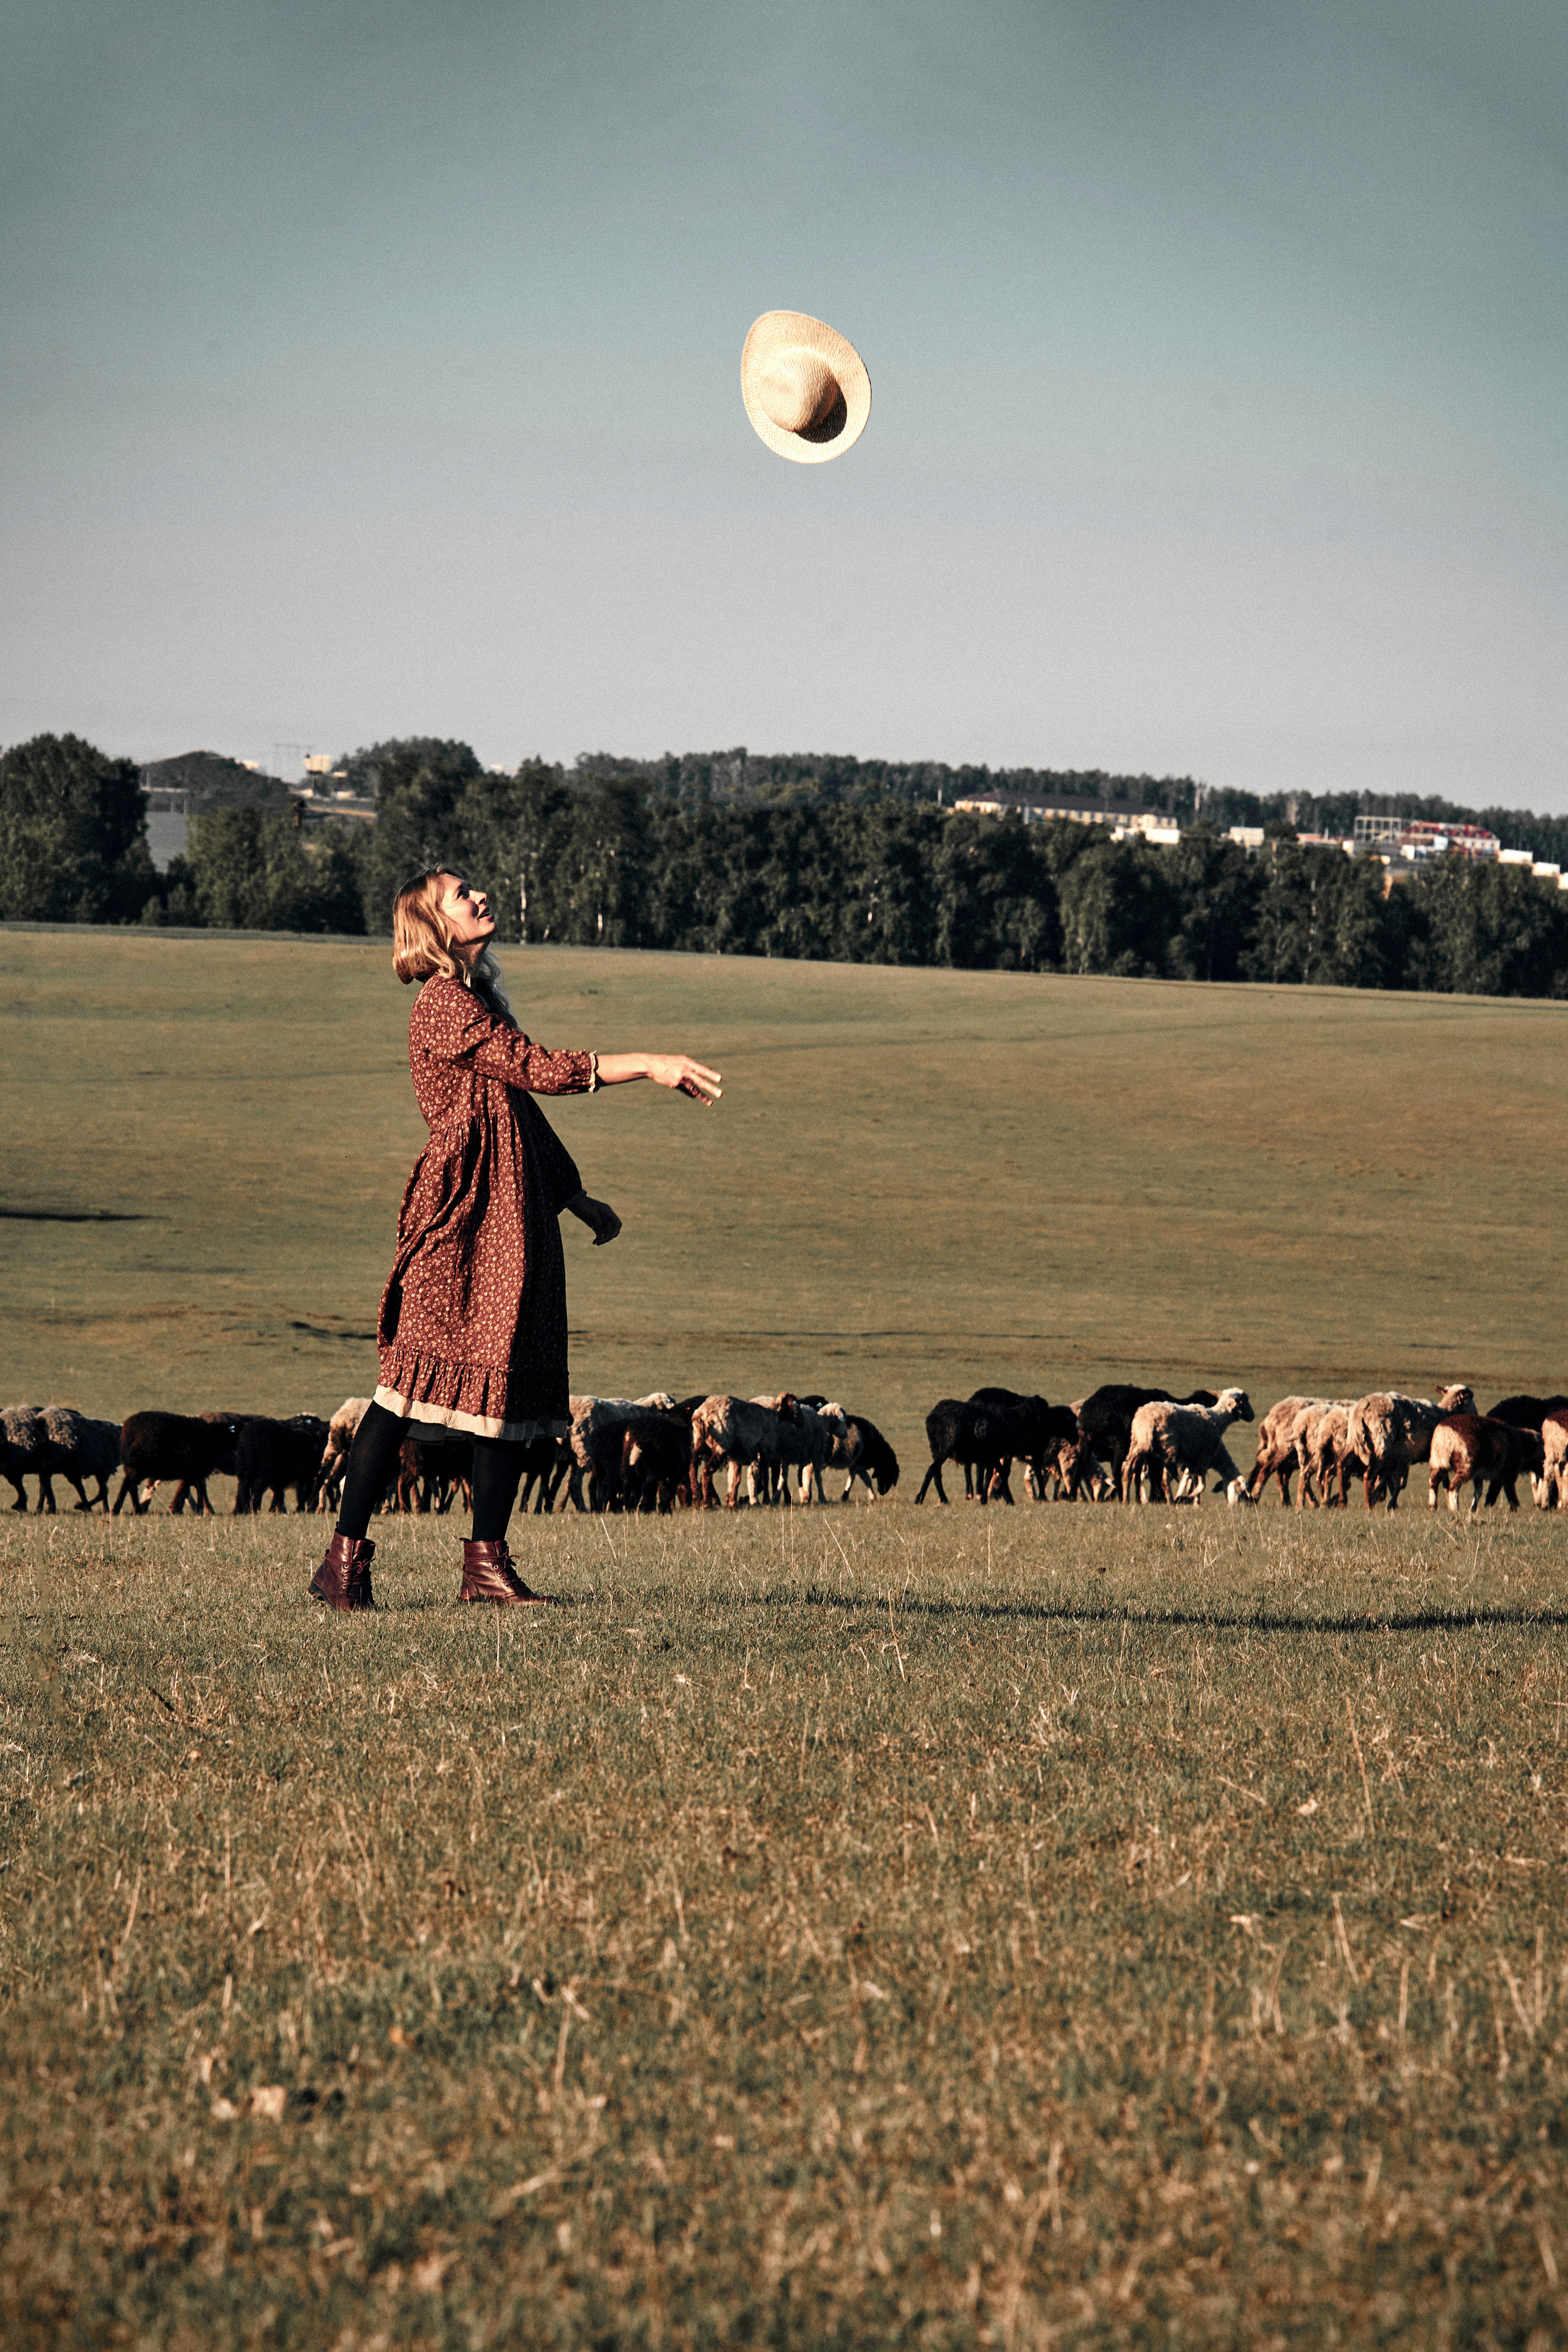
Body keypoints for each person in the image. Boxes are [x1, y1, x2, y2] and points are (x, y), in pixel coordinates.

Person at [309, 867, 720, 1611]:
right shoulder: (440, 1006)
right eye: (460, 895)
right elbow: (539, 1072)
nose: (479, 898)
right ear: (433, 925)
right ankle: (343, 1566)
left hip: (512, 1217)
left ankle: (486, 1570)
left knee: (502, 1386)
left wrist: (574, 1196)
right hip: (460, 1220)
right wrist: (648, 1064)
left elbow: (518, 1114)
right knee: (402, 1392)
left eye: (475, 890)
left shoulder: (478, 1002)